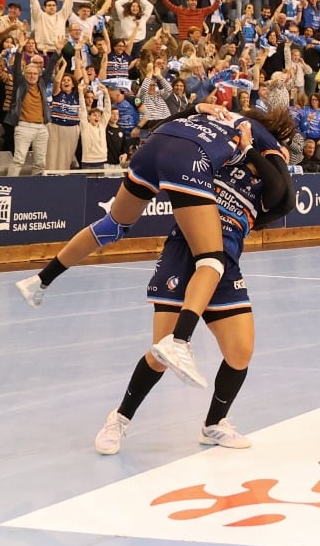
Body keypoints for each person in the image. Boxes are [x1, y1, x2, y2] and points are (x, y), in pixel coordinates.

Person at [15, 105, 295, 390]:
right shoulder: (265, 139)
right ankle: (180, 342)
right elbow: (286, 198)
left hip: (154, 145)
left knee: (112, 225)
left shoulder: (214, 114)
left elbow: (164, 122)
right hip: (189, 159)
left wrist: (195, 106)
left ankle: (40, 280)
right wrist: (254, 212)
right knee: (211, 259)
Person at [94, 127, 291, 454]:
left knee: (240, 352)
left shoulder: (268, 188)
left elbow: (284, 194)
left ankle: (213, 424)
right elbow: (179, 138)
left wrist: (254, 149)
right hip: (184, 253)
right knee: (161, 352)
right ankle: (119, 419)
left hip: (225, 263)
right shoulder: (221, 158)